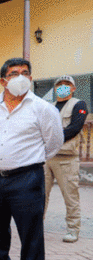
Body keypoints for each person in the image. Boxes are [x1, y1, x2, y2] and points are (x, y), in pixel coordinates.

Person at [0, 58, 63, 260]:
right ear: (3, 80)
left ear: (31, 78)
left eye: (25, 73)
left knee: (30, 231)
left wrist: (28, 161)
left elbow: (54, 143)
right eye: (14, 73)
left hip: (27, 178)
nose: (20, 77)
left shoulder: (42, 108)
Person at [44, 75, 88, 243]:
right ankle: (36, 227)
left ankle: (73, 229)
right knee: (40, 195)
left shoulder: (78, 104)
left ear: (73, 88)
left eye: (67, 84)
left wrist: (52, 138)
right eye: (60, 84)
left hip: (66, 158)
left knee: (70, 195)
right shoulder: (50, 107)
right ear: (55, 88)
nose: (63, 86)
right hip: (47, 158)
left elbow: (75, 128)